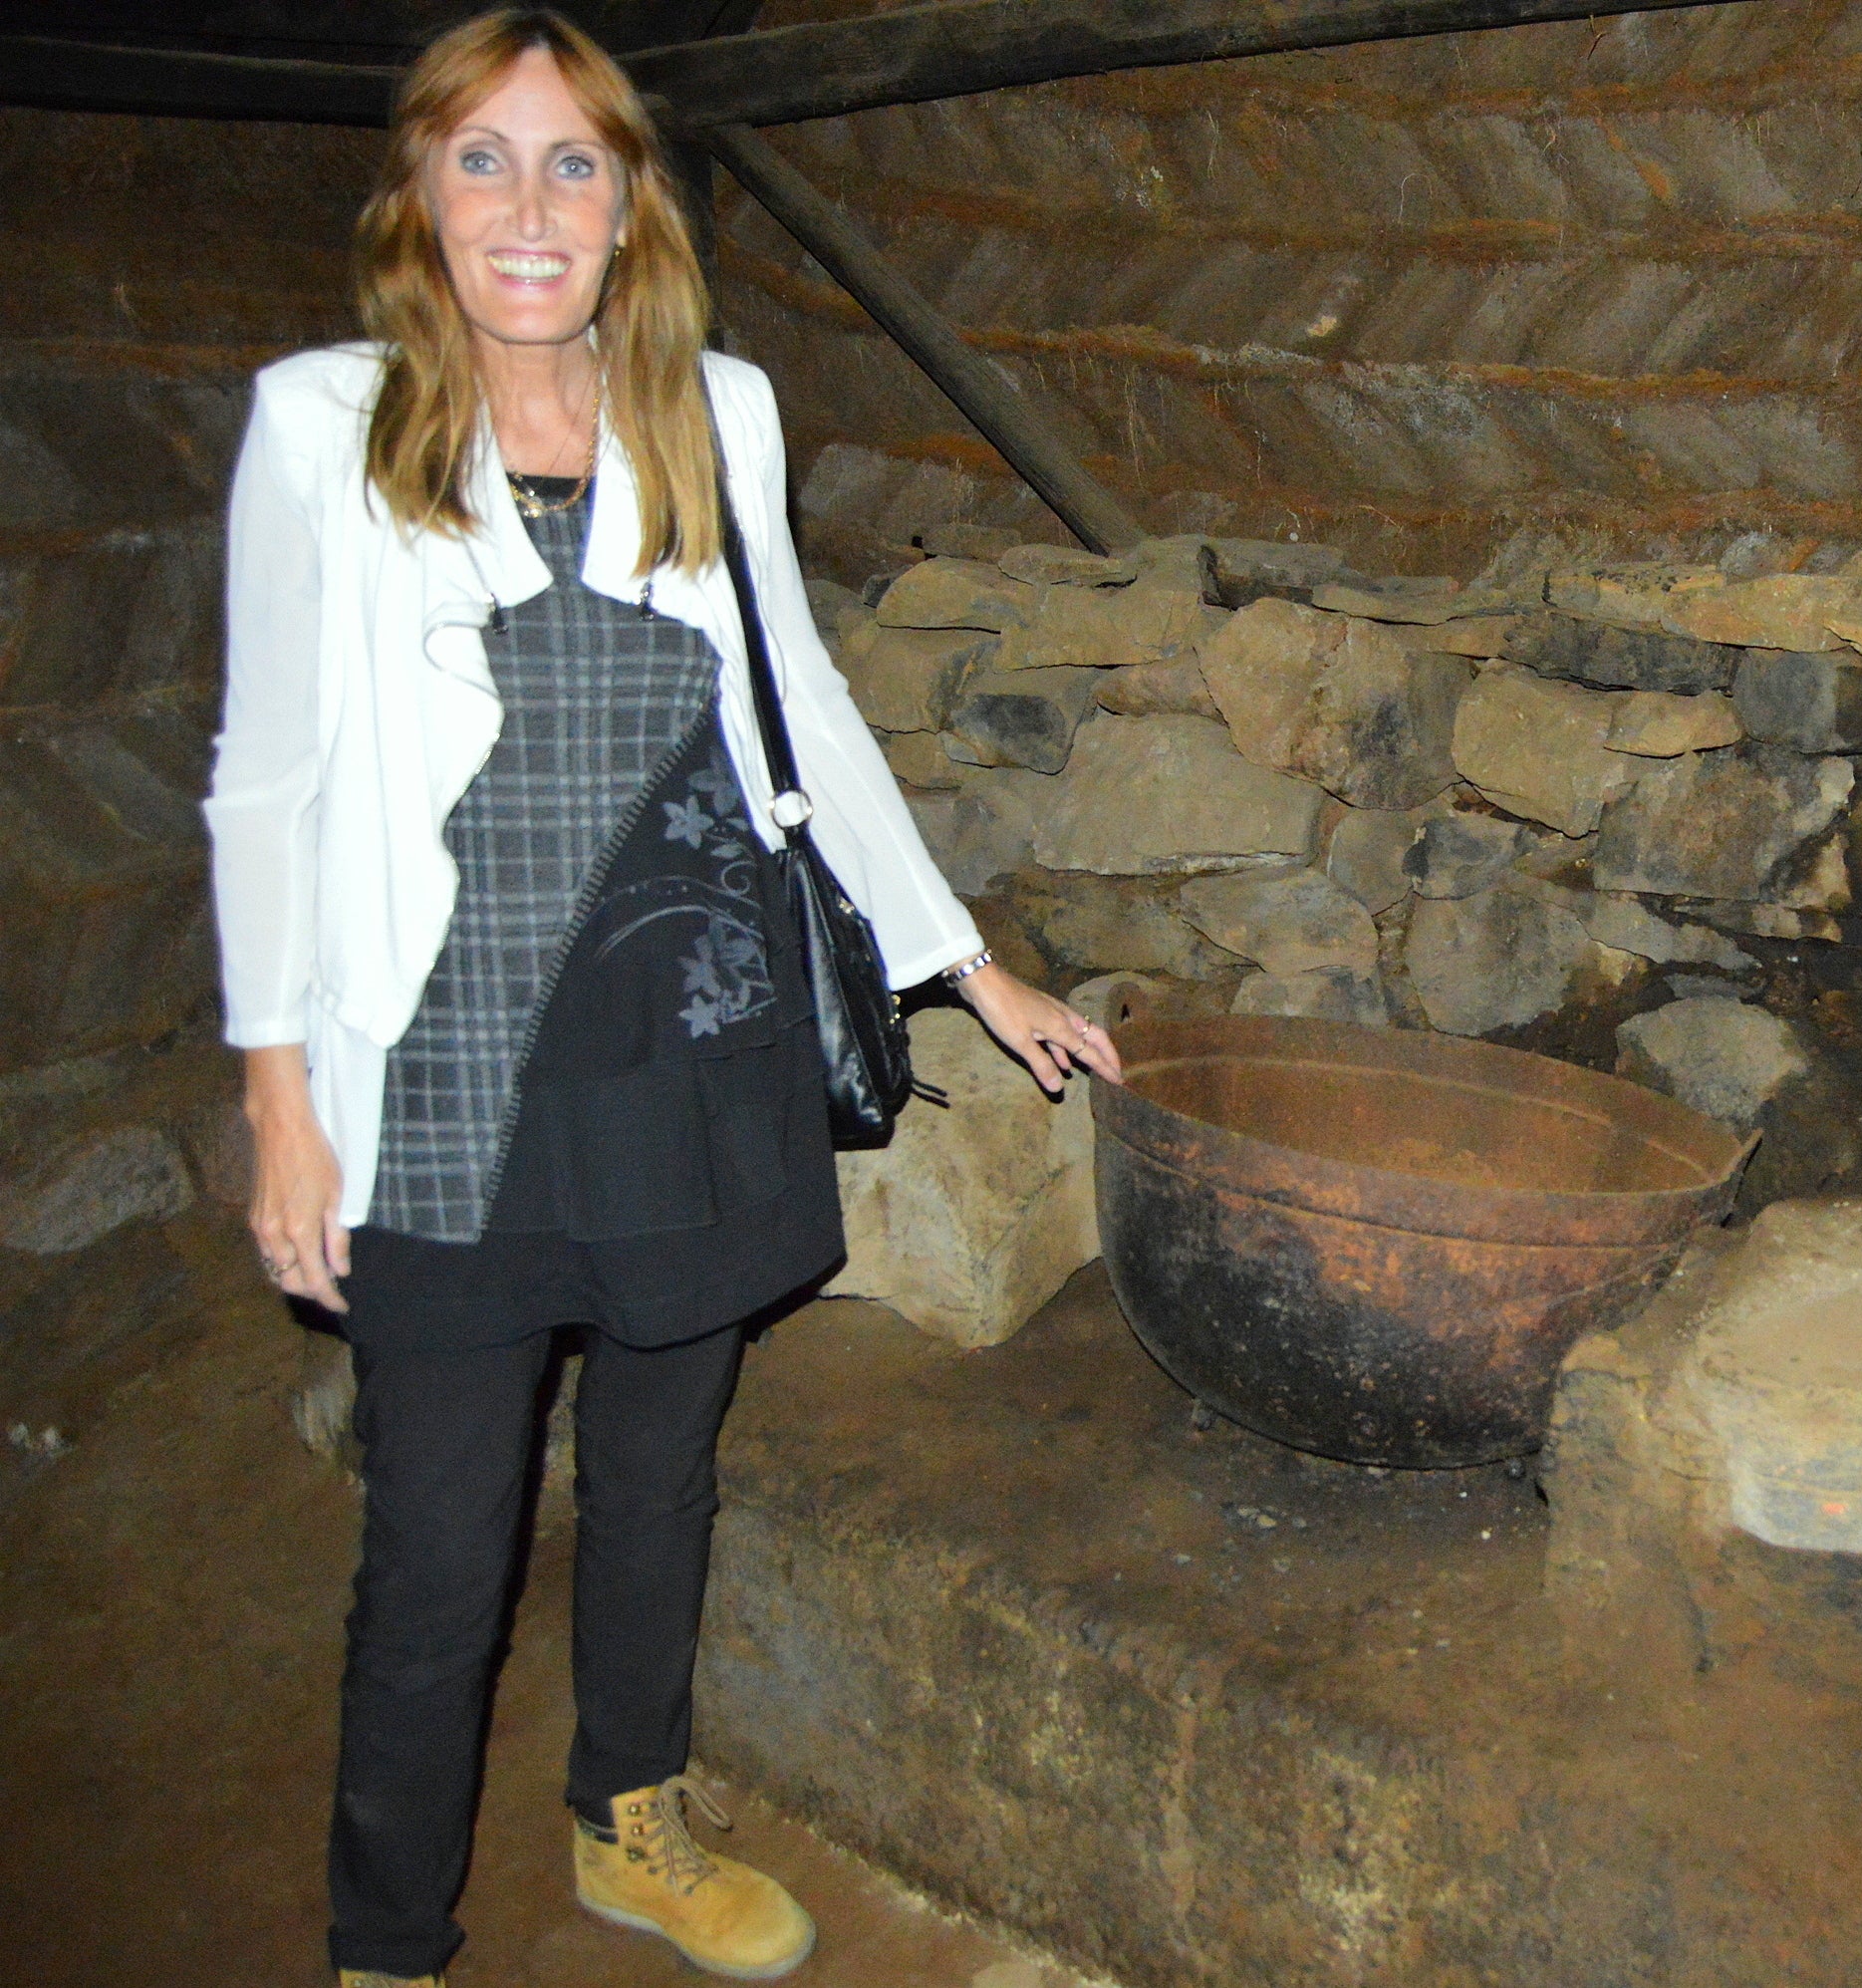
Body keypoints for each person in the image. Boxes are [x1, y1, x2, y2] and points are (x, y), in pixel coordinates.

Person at [206, 11, 1122, 1982]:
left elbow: (801, 702)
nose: (528, 206)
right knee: (439, 1551)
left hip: (689, 1039)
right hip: (442, 1068)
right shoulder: (322, 422)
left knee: (660, 1468)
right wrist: (278, 1089)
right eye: (484, 159)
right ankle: (385, 1936)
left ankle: (633, 1817)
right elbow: (266, 773)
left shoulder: (717, 411)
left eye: (573, 165)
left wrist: (967, 958)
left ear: (628, 210)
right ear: (418, 196)